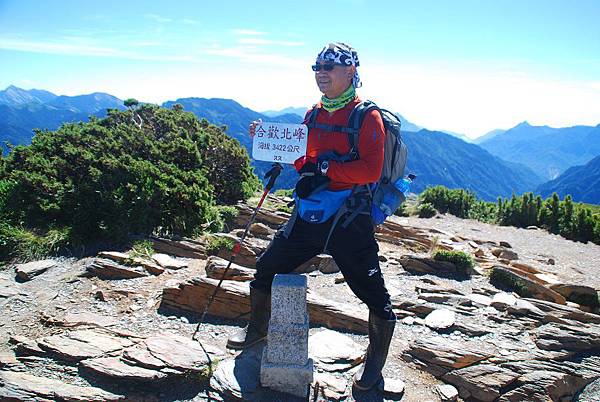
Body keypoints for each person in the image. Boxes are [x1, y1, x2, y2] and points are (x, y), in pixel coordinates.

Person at [227, 42, 396, 391]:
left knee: (373, 294)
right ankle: (257, 333)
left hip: (350, 218)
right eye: (317, 67)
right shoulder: (313, 115)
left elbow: (370, 170)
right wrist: (268, 139)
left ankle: (374, 366)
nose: (321, 72)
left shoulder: (367, 117)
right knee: (266, 269)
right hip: (311, 212)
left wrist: (324, 166)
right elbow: (301, 157)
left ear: (351, 72)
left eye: (330, 67)